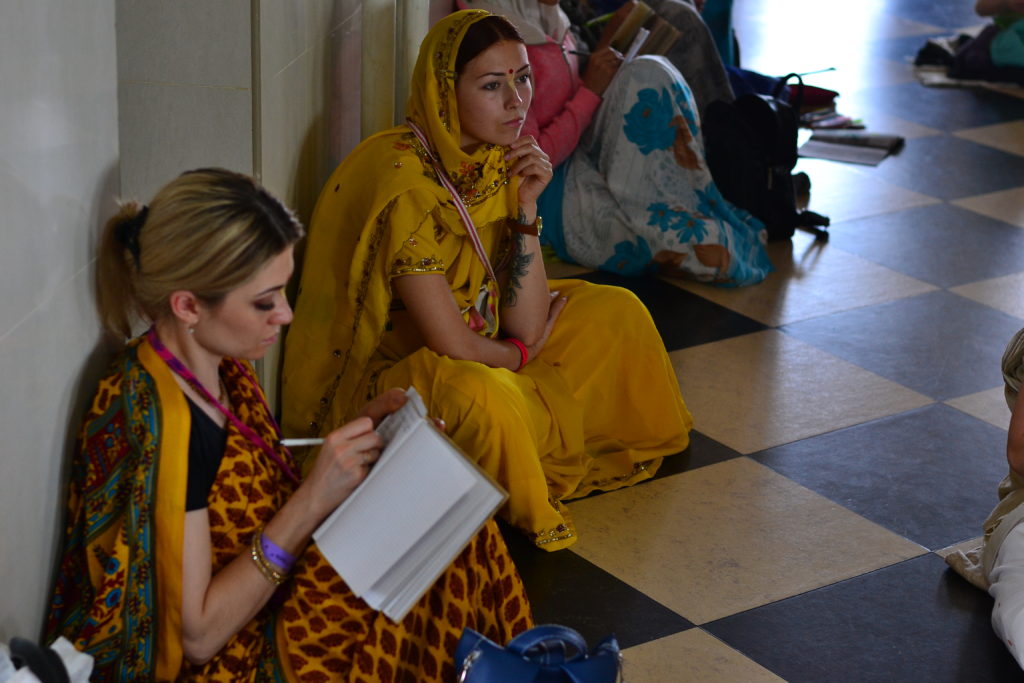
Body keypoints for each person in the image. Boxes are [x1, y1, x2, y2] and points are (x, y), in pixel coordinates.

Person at [45, 168, 531, 681]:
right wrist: (315, 497)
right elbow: (201, 637)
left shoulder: (216, 366)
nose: (285, 315)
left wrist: (366, 442)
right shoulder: (163, 423)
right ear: (187, 305)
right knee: (438, 570)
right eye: (265, 301)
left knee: (449, 525)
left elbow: (255, 492)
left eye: (281, 291)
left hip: (271, 596)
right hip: (241, 655)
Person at [282, 10, 692, 553]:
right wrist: (521, 356)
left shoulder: (496, 159)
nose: (517, 101)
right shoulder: (405, 186)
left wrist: (525, 210)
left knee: (616, 314)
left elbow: (525, 321)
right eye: (492, 85)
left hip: (484, 331)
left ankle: (526, 435)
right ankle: (519, 458)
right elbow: (451, 343)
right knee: (483, 396)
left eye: (523, 78)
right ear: (445, 93)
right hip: (397, 370)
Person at [463, 0, 772, 285]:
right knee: (705, 250)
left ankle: (717, 191)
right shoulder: (495, 34)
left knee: (651, 71)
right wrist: (591, 91)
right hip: (549, 189)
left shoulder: (549, 15)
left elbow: (563, 93)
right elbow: (528, 162)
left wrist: (603, 59)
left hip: (578, 152)